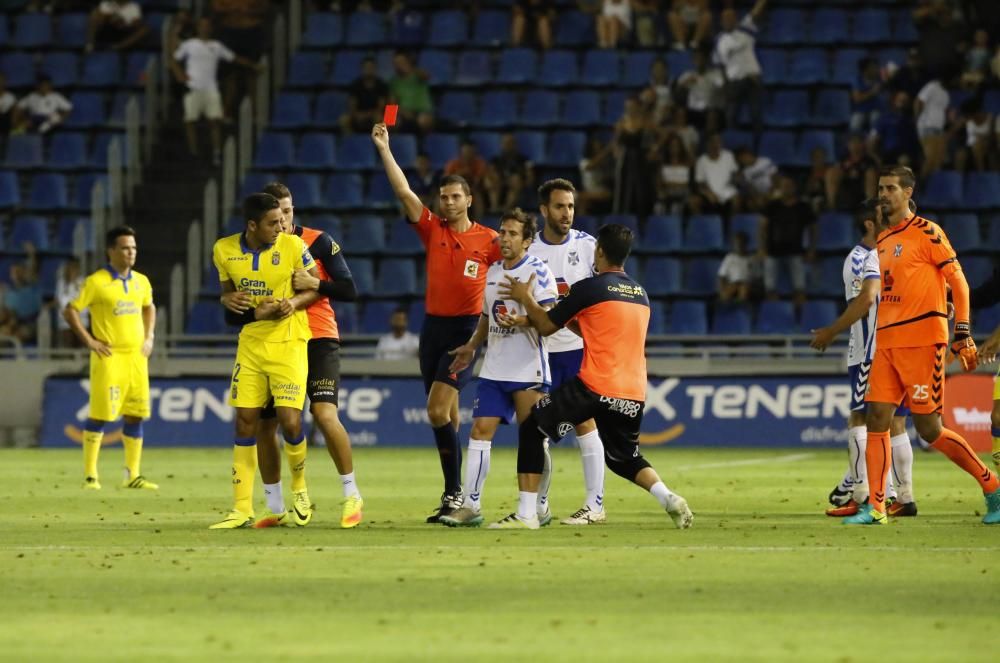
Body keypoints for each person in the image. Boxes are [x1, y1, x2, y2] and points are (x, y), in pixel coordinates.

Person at [490, 224, 693, 530]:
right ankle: (668, 497)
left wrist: (526, 298)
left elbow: (545, 326)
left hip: (595, 385)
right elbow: (592, 330)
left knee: (533, 426)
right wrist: (567, 316)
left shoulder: (590, 288)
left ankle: (527, 514)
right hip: (634, 391)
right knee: (624, 457)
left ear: (599, 252)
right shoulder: (640, 294)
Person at [838, 166, 1000, 525]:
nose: (884, 194)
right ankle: (877, 508)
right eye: (881, 188)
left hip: (923, 341)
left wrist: (962, 332)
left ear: (908, 192)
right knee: (878, 418)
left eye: (892, 188)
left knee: (930, 429)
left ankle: (992, 487)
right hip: (887, 342)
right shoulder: (881, 240)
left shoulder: (928, 232)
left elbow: (957, 281)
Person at [372, 122, 502, 523]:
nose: (447, 202)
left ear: (469, 199)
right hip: (432, 330)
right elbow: (403, 191)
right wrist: (384, 149)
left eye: (454, 196)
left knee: (434, 412)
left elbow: (514, 271)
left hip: (465, 332)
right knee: (447, 416)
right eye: (443, 197)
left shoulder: (490, 241)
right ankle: (457, 495)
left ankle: (455, 493)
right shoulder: (433, 230)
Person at [221, 182, 363, 528]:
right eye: (277, 213)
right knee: (267, 425)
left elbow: (348, 289)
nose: (282, 219)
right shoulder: (260, 246)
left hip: (319, 336)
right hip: (274, 340)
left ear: (293, 211)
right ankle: (275, 504)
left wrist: (315, 284)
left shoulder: (315, 242)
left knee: (324, 414)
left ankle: (351, 494)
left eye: (287, 211)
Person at [208, 193, 321, 529]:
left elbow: (315, 287)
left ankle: (299, 488)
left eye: (281, 220)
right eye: (272, 222)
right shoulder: (223, 250)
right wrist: (227, 297)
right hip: (252, 345)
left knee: (290, 422)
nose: (280, 226)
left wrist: (294, 303)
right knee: (246, 421)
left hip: (289, 342)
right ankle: (242, 508)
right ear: (252, 225)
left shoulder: (293, 247)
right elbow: (228, 294)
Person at [439, 209, 558, 527]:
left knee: (533, 439)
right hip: (494, 368)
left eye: (512, 234)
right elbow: (486, 316)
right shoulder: (491, 271)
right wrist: (472, 345)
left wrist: (522, 316)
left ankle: (538, 505)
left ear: (528, 241)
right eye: (502, 232)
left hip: (528, 368)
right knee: (479, 433)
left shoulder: (538, 272)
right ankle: (471, 505)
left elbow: (550, 318)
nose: (503, 238)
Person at [809, 198, 915, 518]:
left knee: (861, 419)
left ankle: (864, 494)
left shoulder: (871, 256)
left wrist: (831, 331)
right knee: (894, 423)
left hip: (870, 351)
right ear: (870, 223)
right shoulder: (869, 257)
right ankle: (899, 496)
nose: (893, 217)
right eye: (885, 214)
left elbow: (866, 301)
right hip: (896, 348)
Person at [527, 179, 609, 525]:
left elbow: (609, 292)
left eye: (571, 207)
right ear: (544, 210)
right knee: (535, 429)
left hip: (576, 351)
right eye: (560, 207)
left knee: (585, 424)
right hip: (539, 353)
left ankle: (595, 504)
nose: (567, 213)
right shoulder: (528, 249)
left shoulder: (589, 247)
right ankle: (540, 504)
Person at [63, 226, 157, 492]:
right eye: (126, 248)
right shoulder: (96, 282)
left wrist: (149, 337)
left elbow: (150, 307)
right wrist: (90, 341)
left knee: (135, 415)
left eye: (134, 248)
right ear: (111, 251)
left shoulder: (141, 281)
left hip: (137, 357)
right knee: (100, 415)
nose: (131, 253)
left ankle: (133, 474)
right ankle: (91, 475)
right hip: (109, 357)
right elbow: (70, 310)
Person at [171, 17, 260, 163]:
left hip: (211, 88)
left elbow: (234, 58)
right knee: (189, 121)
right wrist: (179, 74)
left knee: (215, 121)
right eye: (202, 26)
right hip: (192, 87)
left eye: (207, 26)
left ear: (211, 28)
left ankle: (216, 153)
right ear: (198, 28)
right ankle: (193, 152)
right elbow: (174, 59)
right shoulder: (189, 44)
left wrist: (253, 65)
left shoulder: (217, 46)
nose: (205, 28)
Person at [714, 0, 768, 144]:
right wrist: (726, 87)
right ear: (721, 21)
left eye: (731, 18)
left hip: (752, 78)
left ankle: (758, 145)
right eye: (725, 18)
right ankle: (733, 145)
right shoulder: (720, 41)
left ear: (736, 19)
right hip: (735, 83)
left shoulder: (745, 28)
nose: (728, 21)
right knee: (730, 116)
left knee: (756, 115)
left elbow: (757, 10)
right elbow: (721, 66)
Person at [758, 176, 815, 305]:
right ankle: (775, 318)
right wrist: (762, 248)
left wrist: (811, 249)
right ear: (779, 188)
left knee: (800, 289)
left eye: (789, 186)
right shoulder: (772, 206)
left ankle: (801, 320)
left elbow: (813, 229)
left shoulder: (803, 207)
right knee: (770, 288)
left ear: (794, 188)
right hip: (772, 252)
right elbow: (762, 228)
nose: (786, 189)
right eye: (784, 186)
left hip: (796, 252)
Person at [691, 132, 739, 217]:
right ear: (708, 144)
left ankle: (730, 228)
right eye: (713, 141)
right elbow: (700, 183)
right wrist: (708, 193)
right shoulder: (701, 160)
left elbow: (735, 173)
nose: (716, 144)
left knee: (736, 200)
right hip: (709, 193)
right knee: (694, 202)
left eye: (719, 141)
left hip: (727, 191)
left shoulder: (728, 156)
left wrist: (734, 180)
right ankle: (702, 225)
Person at [340, 56, 389, 134]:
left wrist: (366, 115)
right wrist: (357, 115)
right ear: (362, 69)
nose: (368, 69)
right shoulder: (355, 85)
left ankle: (378, 144)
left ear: (375, 69)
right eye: (366, 67)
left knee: (379, 118)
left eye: (371, 67)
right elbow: (352, 105)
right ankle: (351, 142)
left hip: (374, 115)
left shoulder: (381, 85)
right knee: (344, 119)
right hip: (358, 115)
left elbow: (381, 107)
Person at [388, 51, 434, 134]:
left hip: (422, 111)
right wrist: (400, 112)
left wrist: (411, 69)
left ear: (407, 61)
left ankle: (424, 144)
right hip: (403, 112)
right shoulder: (394, 81)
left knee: (424, 121)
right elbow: (392, 103)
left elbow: (426, 76)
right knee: (388, 119)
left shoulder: (418, 75)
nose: (399, 65)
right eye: (396, 63)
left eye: (401, 62)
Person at [55, 255, 87, 348]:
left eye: (75, 267)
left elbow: (85, 301)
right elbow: (60, 300)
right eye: (71, 267)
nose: (73, 270)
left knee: (82, 344)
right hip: (66, 320)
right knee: (68, 344)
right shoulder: (61, 283)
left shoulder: (83, 282)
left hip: (81, 319)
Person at [717, 231, 751, 303]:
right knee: (726, 294)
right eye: (737, 244)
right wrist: (722, 290)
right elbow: (721, 276)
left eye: (741, 243)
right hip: (733, 283)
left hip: (745, 284)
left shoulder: (750, 258)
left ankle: (741, 308)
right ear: (734, 244)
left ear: (746, 244)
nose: (739, 246)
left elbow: (755, 277)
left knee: (744, 291)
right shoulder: (729, 258)